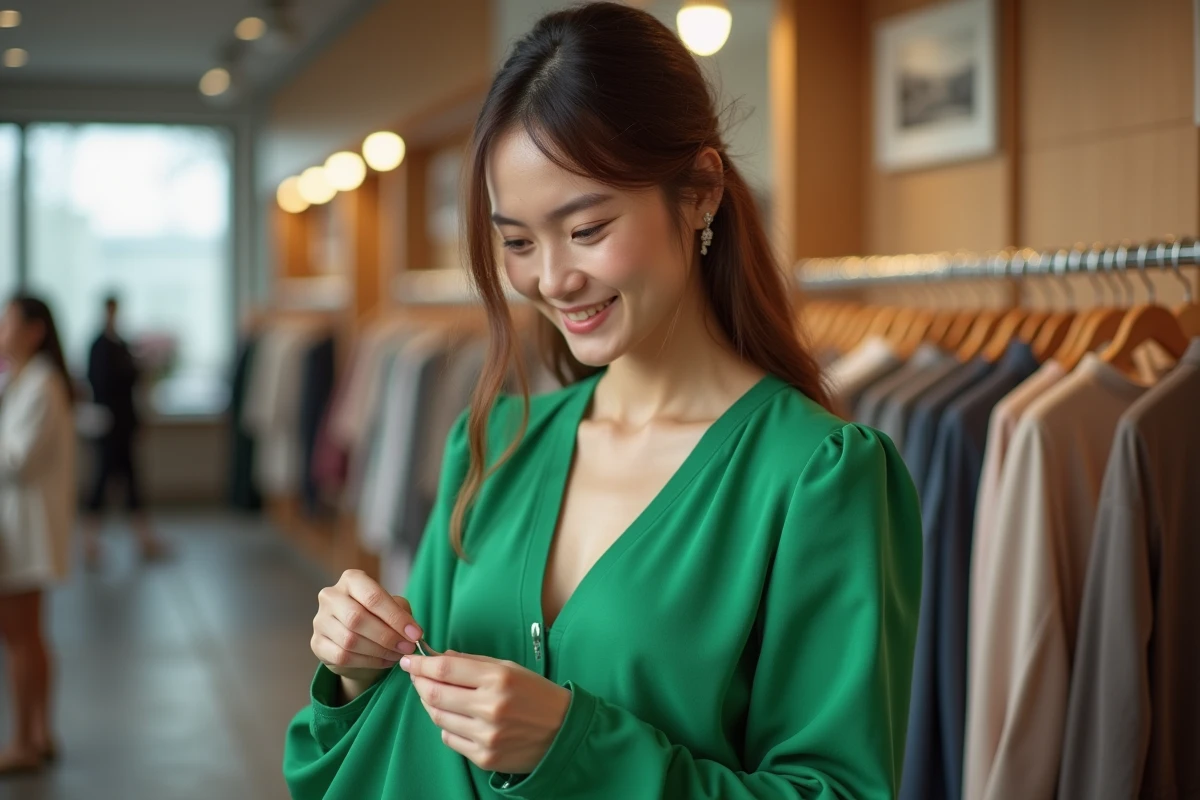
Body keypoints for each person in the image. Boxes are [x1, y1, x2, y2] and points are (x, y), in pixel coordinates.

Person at [284, 4, 922, 798]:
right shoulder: (493, 444)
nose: (551, 278)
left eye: (586, 229)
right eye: (517, 242)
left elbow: (839, 789)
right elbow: (406, 749)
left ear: (701, 195)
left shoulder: (819, 478)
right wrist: (354, 675)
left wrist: (575, 746)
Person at [0, 295, 75, 775]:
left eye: (6, 322)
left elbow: (17, 458)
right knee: (29, 637)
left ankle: (25, 741)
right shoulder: (24, 380)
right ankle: (40, 732)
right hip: (20, 528)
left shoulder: (42, 384)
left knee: (21, 639)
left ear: (33, 331)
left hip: (24, 532)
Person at [82, 294, 164, 563]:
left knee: (131, 479)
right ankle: (91, 542)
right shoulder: (99, 345)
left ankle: (142, 537)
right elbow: (101, 382)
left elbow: (133, 383)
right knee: (103, 478)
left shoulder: (122, 343)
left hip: (125, 423)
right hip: (108, 425)